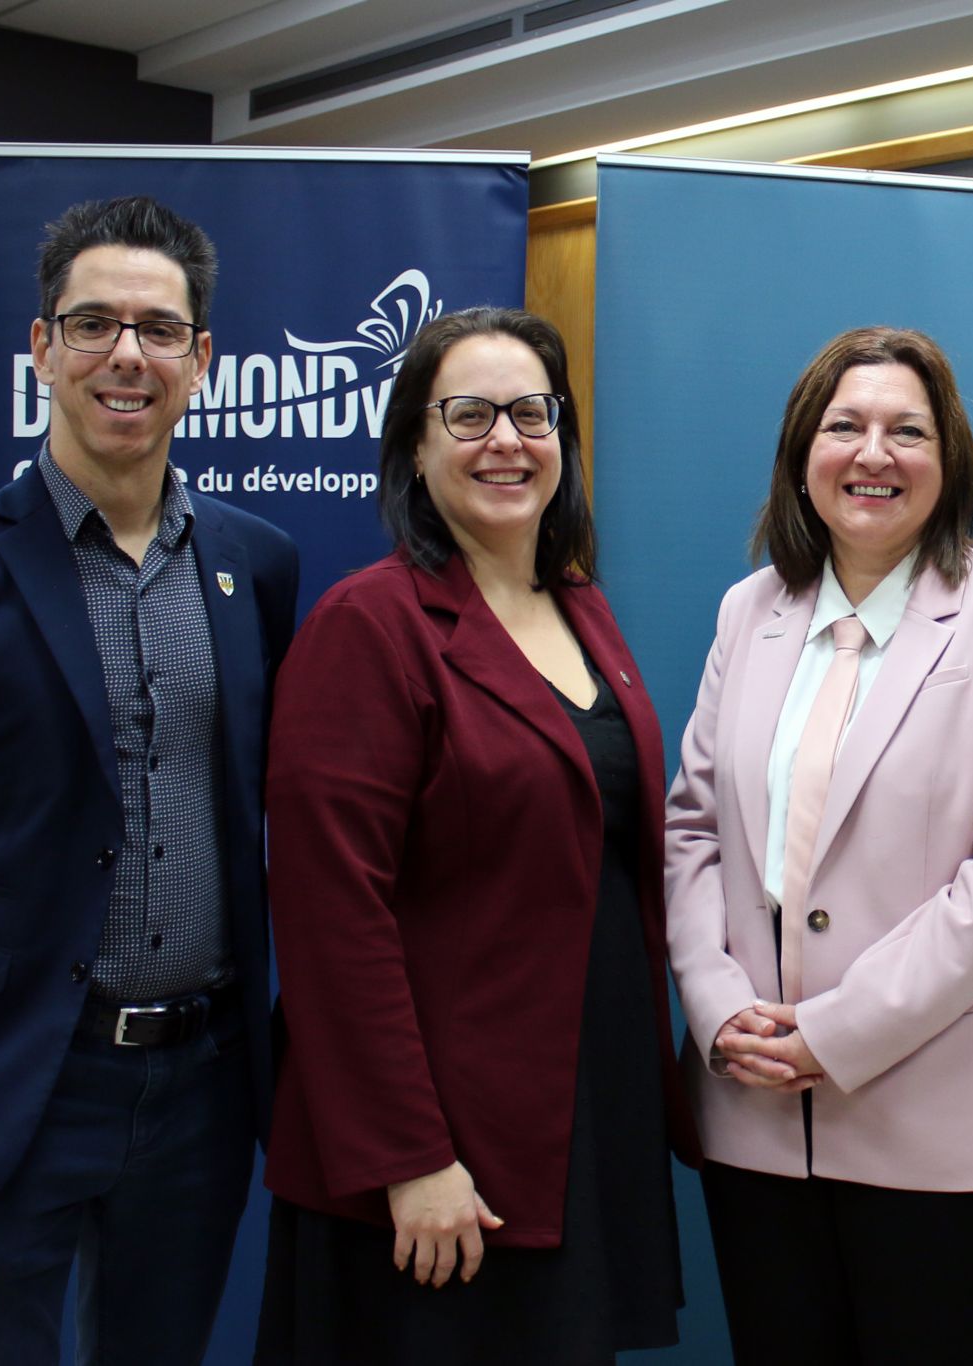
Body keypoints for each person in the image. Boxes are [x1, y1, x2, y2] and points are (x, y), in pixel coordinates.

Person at [0, 196, 299, 1365]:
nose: (125, 355)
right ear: (41, 348)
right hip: (11, 1083)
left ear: (202, 359)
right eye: (92, 324)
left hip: (199, 1092)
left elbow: (253, 809)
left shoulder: (257, 566)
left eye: (157, 328)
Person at [253, 306, 696, 1364]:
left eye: (531, 412)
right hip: (436, 1156)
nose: (506, 439)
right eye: (469, 413)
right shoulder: (370, 625)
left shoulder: (580, 608)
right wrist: (410, 1155)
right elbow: (329, 917)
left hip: (571, 1115)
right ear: (413, 441)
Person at [665, 325, 973, 1365]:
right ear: (801, 453)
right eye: (844, 425)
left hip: (942, 1121)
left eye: (907, 430)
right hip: (755, 1112)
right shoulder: (749, 610)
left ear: (948, 465)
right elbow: (690, 828)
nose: (873, 453)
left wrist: (837, 1031)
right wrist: (719, 1012)